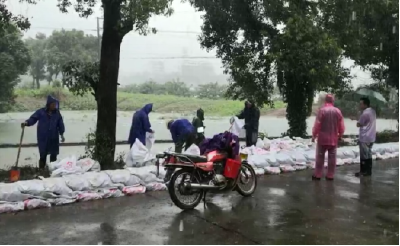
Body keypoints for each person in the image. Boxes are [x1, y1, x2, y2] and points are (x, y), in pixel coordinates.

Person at [21, 95, 65, 169]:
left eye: (55, 104)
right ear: (49, 104)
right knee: (43, 154)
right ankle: (41, 170)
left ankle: (52, 170)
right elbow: (33, 119)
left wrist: (62, 134)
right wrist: (26, 123)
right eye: (53, 104)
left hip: (54, 137)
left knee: (53, 155)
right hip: (43, 137)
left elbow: (60, 124)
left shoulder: (57, 113)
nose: (54, 106)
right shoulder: (41, 112)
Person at [311, 94, 345, 180]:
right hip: (333, 139)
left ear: (325, 100)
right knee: (332, 158)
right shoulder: (337, 111)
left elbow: (317, 125)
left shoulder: (322, 111)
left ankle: (318, 174)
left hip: (322, 139)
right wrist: (340, 135)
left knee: (320, 157)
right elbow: (341, 126)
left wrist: (314, 135)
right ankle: (330, 175)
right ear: (333, 101)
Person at [355, 97, 376, 177]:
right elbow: (367, 122)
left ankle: (363, 171)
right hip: (371, 136)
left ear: (365, 104)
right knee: (369, 154)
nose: (360, 105)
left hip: (365, 137)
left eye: (361, 104)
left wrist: (358, 119)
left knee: (363, 155)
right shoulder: (373, 111)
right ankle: (368, 171)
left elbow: (358, 124)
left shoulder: (365, 113)